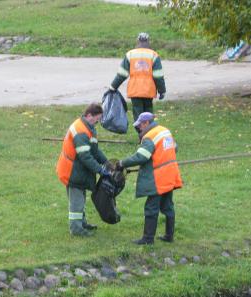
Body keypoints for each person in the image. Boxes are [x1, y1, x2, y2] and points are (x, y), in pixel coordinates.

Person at [116, 112, 182, 245]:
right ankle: (169, 236)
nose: (139, 128)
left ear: (146, 123)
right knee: (168, 205)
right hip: (171, 174)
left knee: (151, 207)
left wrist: (122, 163)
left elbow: (141, 157)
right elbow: (175, 148)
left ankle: (148, 239)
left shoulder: (149, 137)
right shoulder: (165, 131)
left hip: (159, 178)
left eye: (139, 125)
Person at [56, 103, 111, 237]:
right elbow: (86, 157)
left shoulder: (88, 127)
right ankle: (76, 229)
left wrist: (107, 163)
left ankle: (82, 222)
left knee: (80, 199)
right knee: (76, 201)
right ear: (88, 115)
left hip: (77, 170)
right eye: (96, 119)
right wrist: (100, 169)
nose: (97, 122)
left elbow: (94, 150)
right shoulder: (81, 131)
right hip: (72, 171)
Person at [109, 32, 166, 127]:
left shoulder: (130, 54)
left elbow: (122, 74)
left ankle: (140, 134)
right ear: (148, 41)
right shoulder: (154, 55)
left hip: (135, 89)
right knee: (148, 113)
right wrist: (162, 91)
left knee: (138, 114)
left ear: (138, 41)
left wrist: (113, 87)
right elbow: (158, 76)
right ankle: (149, 132)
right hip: (148, 90)